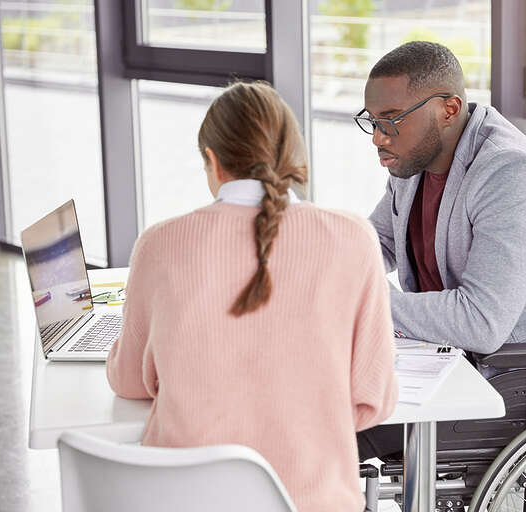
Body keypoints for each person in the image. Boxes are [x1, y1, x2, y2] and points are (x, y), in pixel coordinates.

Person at [106, 81, 398, 512]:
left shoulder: (160, 243)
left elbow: (130, 382)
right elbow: (373, 399)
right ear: (292, 156)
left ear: (212, 160)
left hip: (185, 502)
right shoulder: (354, 238)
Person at [354, 42, 526, 460]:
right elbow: (378, 242)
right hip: (449, 356)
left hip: (517, 376)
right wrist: (326, 269)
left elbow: (481, 321)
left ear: (448, 110)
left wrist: (363, 302)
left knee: (336, 423)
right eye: (372, 121)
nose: (378, 137)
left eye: (392, 120)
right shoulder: (412, 158)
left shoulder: (510, 172)